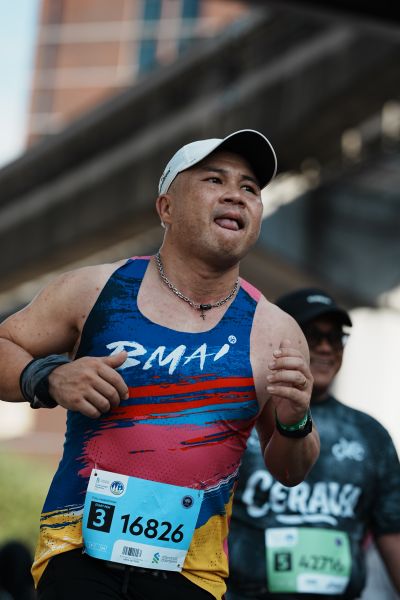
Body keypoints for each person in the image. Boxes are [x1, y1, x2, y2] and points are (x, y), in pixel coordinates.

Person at [0, 129, 320, 600]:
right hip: (78, 554)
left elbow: (290, 471)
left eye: (250, 188)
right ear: (166, 207)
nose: (236, 194)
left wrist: (295, 422)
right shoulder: (94, 290)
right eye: (214, 180)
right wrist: (48, 377)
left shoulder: (276, 331)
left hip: (192, 574)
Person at [227, 288, 400, 600]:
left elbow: (393, 531)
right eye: (312, 335)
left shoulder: (370, 433)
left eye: (336, 337)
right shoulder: (239, 415)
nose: (325, 347)